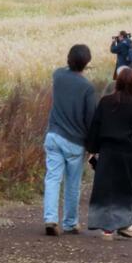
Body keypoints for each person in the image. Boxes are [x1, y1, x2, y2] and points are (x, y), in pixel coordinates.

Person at [86, 68, 132, 241]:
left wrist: (91, 149)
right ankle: (125, 224)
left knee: (105, 189)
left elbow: (95, 127)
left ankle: (107, 229)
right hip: (127, 154)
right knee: (125, 190)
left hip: (107, 151)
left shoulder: (105, 102)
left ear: (117, 83)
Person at [44, 44, 96, 236]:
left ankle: (50, 218)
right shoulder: (87, 88)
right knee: (72, 183)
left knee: (52, 178)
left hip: (54, 135)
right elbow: (91, 119)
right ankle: (70, 222)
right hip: (75, 141)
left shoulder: (58, 75)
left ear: (68, 59)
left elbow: (64, 71)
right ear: (86, 63)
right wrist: (92, 146)